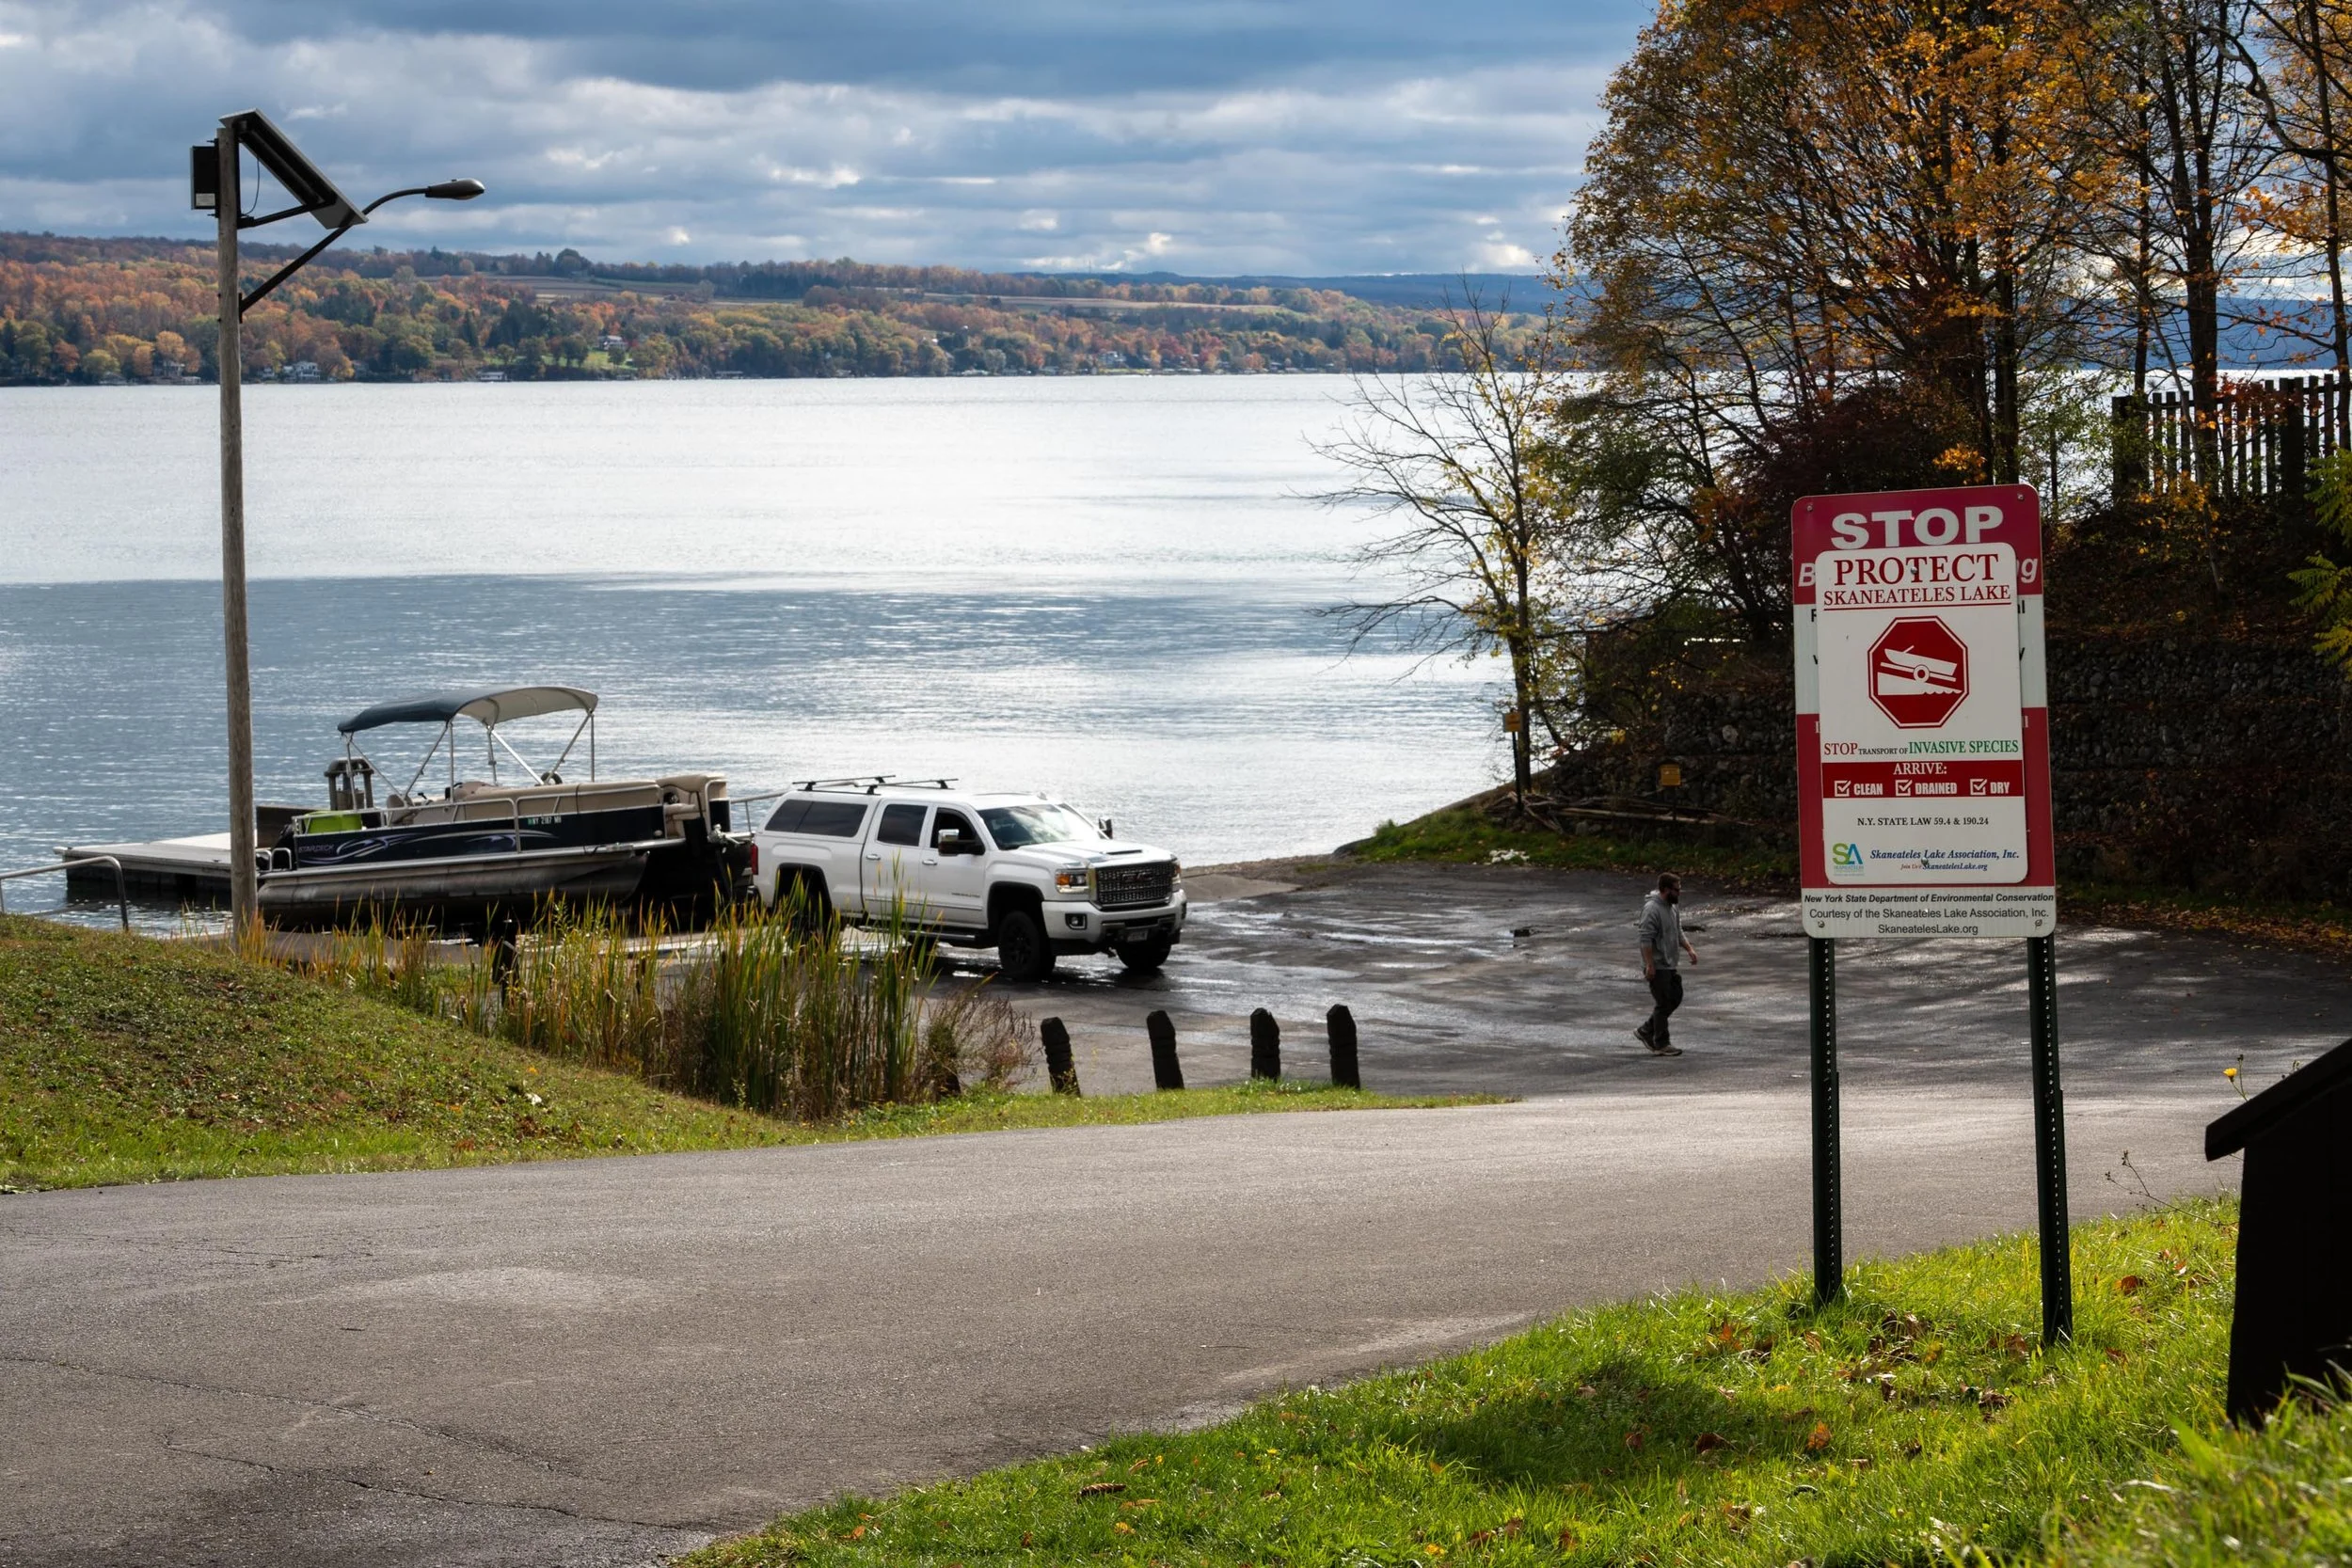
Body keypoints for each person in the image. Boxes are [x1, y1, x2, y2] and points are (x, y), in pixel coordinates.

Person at [1635, 872, 1696, 1057]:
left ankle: (1646, 1030)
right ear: (1666, 889)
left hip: (1670, 963)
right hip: (1657, 964)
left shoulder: (1672, 907)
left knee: (1675, 997)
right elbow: (1645, 939)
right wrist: (1649, 964)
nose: (1680, 893)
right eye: (1677, 890)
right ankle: (1660, 1043)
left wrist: (1689, 949)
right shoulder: (1652, 909)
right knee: (1663, 1003)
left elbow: (1678, 931)